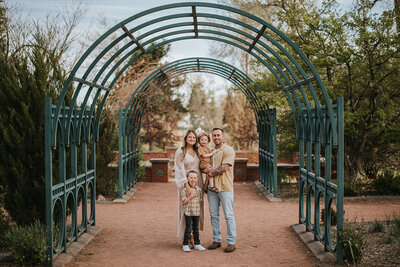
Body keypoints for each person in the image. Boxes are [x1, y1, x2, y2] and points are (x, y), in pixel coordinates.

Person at [206, 127, 237, 253]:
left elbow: (225, 167)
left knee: (228, 215)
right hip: (211, 189)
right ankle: (216, 240)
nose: (216, 137)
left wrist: (211, 173)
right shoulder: (210, 151)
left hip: (225, 187)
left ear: (223, 137)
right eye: (214, 135)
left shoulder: (229, 150)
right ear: (212, 137)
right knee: (214, 215)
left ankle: (231, 242)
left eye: (218, 135)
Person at [174, 130, 204, 246]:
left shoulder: (198, 151)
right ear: (186, 138)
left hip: (198, 182)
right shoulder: (180, 152)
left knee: (196, 209)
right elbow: (179, 170)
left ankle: (194, 236)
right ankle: (186, 236)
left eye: (194, 137)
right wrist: (187, 186)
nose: (192, 139)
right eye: (190, 137)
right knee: (186, 209)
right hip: (185, 183)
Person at [181, 170, 206, 252]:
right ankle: (185, 244)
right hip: (188, 212)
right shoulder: (184, 189)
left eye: (195, 178)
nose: (193, 179)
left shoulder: (198, 189)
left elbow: (200, 200)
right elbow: (184, 202)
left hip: (196, 212)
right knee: (188, 228)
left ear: (197, 179)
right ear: (187, 179)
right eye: (191, 177)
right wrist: (190, 196)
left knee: (196, 228)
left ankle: (197, 244)